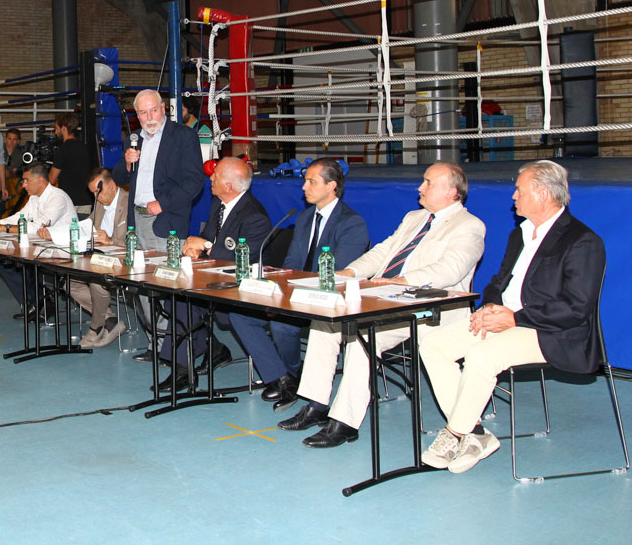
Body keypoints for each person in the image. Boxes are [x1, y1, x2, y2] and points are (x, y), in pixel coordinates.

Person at [277, 161, 486, 449]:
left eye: (428, 183)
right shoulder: (415, 217)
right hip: (389, 299)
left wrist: (403, 280)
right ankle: (317, 403)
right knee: (325, 321)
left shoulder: (470, 225)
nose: (420, 188)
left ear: (451, 192)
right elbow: (384, 251)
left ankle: (345, 422)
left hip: (431, 309)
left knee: (362, 337)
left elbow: (451, 270)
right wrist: (351, 272)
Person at [419, 160, 606, 474]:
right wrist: (491, 308)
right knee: (433, 345)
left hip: (551, 332)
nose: (513, 197)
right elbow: (498, 282)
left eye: (519, 190)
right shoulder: (519, 235)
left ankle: (454, 433)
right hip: (506, 319)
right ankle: (475, 433)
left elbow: (577, 308)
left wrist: (515, 318)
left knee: (481, 355)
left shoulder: (582, 241)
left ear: (543, 194)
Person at [229, 158, 368, 407]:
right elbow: (292, 264)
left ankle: (293, 373)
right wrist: (276, 289)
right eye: (305, 181)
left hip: (325, 299)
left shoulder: (351, 223)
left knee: (283, 326)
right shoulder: (303, 218)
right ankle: (283, 377)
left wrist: (292, 296)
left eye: (311, 182)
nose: (304, 187)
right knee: (240, 314)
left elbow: (337, 276)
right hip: (295, 294)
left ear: (331, 186)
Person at [153, 157, 272, 393]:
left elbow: (241, 258)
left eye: (215, 176)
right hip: (213, 279)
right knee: (178, 297)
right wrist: (192, 251)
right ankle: (187, 367)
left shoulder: (254, 216)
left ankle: (197, 357)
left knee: (188, 302)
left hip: (241, 288)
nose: (210, 178)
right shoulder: (219, 204)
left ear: (229, 186)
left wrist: (205, 246)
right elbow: (208, 243)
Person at [110, 90, 204, 360]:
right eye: (142, 112)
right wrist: (127, 163)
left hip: (164, 220)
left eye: (153, 110)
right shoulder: (134, 139)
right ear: (136, 115)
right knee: (141, 284)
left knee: (165, 286)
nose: (149, 117)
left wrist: (163, 203)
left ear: (164, 109)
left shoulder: (182, 136)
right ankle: (156, 343)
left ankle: (171, 348)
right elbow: (117, 175)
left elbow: (194, 181)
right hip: (136, 220)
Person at [0, 163, 77, 318]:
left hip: (63, 249)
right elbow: (19, 217)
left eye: (26, 180)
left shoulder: (58, 197)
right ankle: (32, 303)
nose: (23, 185)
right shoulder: (35, 198)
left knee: (24, 263)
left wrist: (4, 228)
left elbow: (37, 227)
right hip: (41, 246)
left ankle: (41, 303)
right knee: (1, 260)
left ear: (41, 181)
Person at [69, 169, 127, 348]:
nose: (96, 196)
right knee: (68, 280)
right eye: (93, 192)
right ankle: (109, 319)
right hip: (99, 258)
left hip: (122, 259)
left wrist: (109, 241)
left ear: (112, 185)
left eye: (98, 191)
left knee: (96, 281)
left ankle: (96, 327)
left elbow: (133, 241)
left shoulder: (128, 202)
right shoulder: (100, 203)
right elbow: (89, 226)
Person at [48, 113, 94, 211]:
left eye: (56, 128)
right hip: (85, 199)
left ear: (63, 128)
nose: (56, 132)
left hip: (68, 202)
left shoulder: (62, 149)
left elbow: (52, 179)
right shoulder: (84, 147)